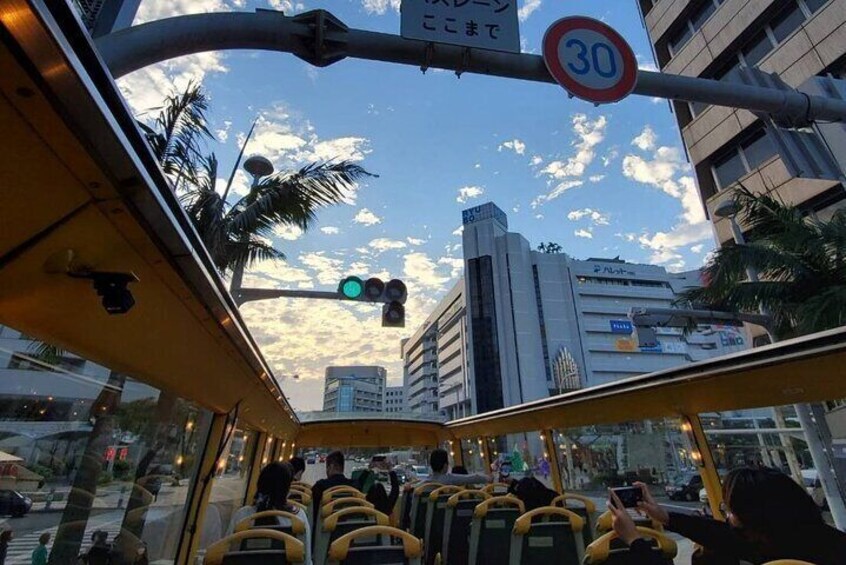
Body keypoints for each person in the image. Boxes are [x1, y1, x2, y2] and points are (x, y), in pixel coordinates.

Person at [611, 467, 846, 565]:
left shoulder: (752, 551)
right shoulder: (825, 542)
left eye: (730, 511)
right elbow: (723, 534)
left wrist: (634, 540)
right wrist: (664, 516)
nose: (727, 518)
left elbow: (727, 538)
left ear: (754, 518)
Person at [229, 462, 312, 564]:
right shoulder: (298, 517)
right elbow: (306, 560)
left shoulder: (242, 516)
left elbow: (227, 554)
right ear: (286, 489)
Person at [310, 451, 354, 532]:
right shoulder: (355, 486)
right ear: (342, 467)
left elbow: (312, 513)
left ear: (331, 466)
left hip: (324, 531)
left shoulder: (320, 486)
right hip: (350, 529)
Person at [425, 449, 491, 486]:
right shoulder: (449, 479)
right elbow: (474, 478)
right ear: (445, 466)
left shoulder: (423, 484)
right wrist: (489, 478)